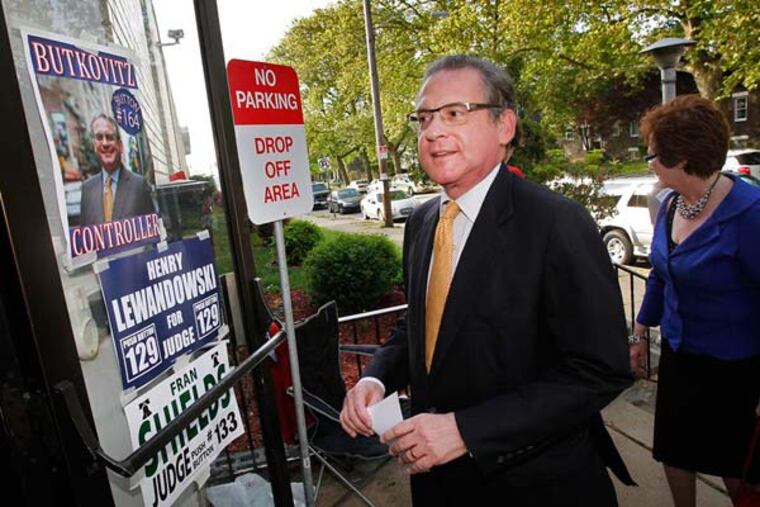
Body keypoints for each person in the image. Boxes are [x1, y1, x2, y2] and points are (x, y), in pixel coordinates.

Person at [340, 55, 634, 506]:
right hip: (439, 487)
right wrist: (376, 379)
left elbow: (599, 370)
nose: (433, 132)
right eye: (423, 118)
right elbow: (420, 329)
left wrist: (465, 431)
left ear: (504, 126)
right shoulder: (420, 224)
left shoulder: (556, 223)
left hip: (536, 486)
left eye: (455, 113)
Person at [630, 95, 760, 507]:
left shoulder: (750, 214)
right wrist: (640, 330)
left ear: (681, 159)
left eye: (652, 154)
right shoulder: (669, 206)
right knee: (673, 450)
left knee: (736, 466)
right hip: (681, 354)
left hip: (734, 366)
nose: (648, 161)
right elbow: (661, 275)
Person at [79, 114, 155, 226]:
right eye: (99, 137)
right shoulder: (87, 189)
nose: (105, 143)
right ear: (95, 146)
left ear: (120, 145)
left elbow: (152, 234)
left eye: (110, 137)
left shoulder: (139, 185)